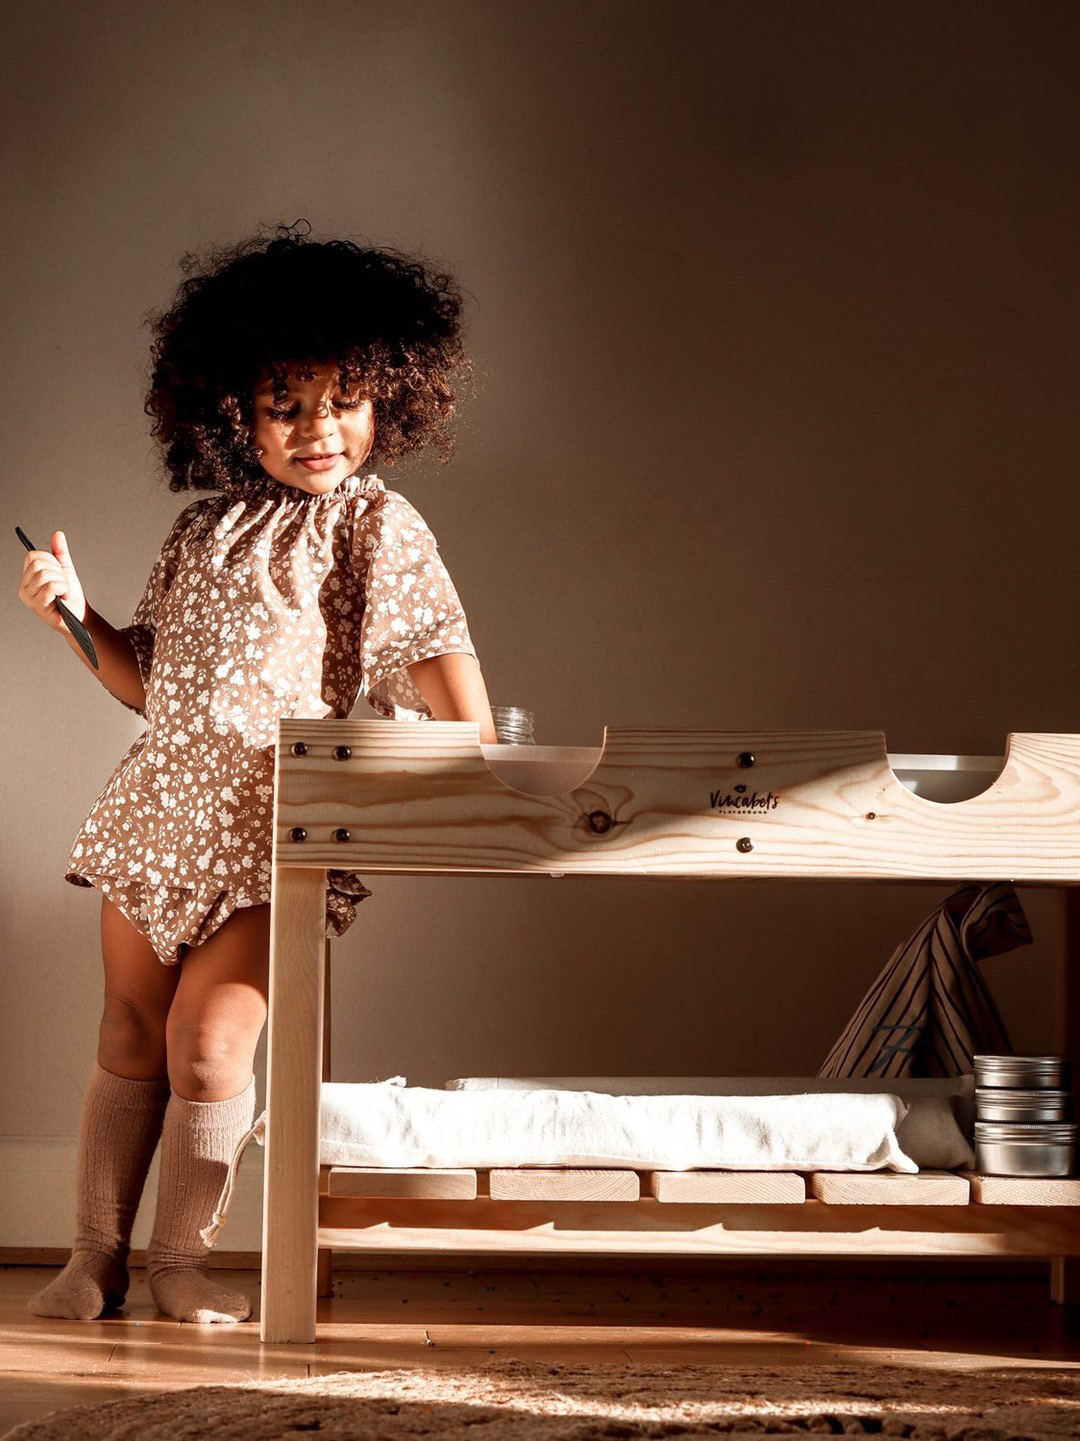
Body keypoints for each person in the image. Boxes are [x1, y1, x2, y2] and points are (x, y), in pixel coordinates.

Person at [17, 224, 497, 1324]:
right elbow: (153, 685)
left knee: (209, 1040)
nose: (318, 429)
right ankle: (94, 1259)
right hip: (156, 814)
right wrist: (70, 616)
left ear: (391, 403)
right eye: (285, 404)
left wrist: (373, 786)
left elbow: (462, 715)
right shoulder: (203, 529)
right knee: (127, 1035)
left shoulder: (379, 527)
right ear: (232, 409)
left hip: (274, 831)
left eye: (344, 401)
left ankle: (179, 1263)